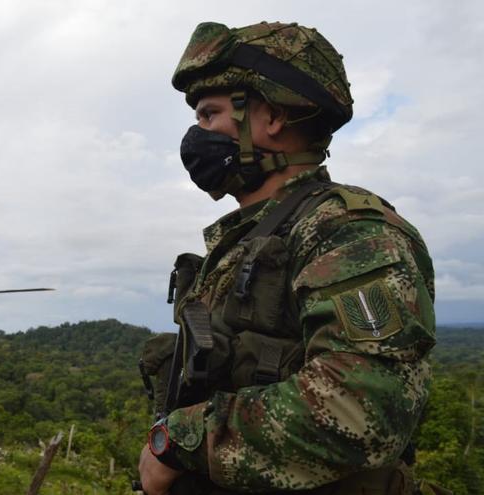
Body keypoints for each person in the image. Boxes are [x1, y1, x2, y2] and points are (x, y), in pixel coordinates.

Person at [138, 22, 438, 495]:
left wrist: (180, 440)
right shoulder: (246, 240)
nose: (197, 134)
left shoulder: (348, 231)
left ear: (272, 117)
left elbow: (363, 408)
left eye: (209, 114)